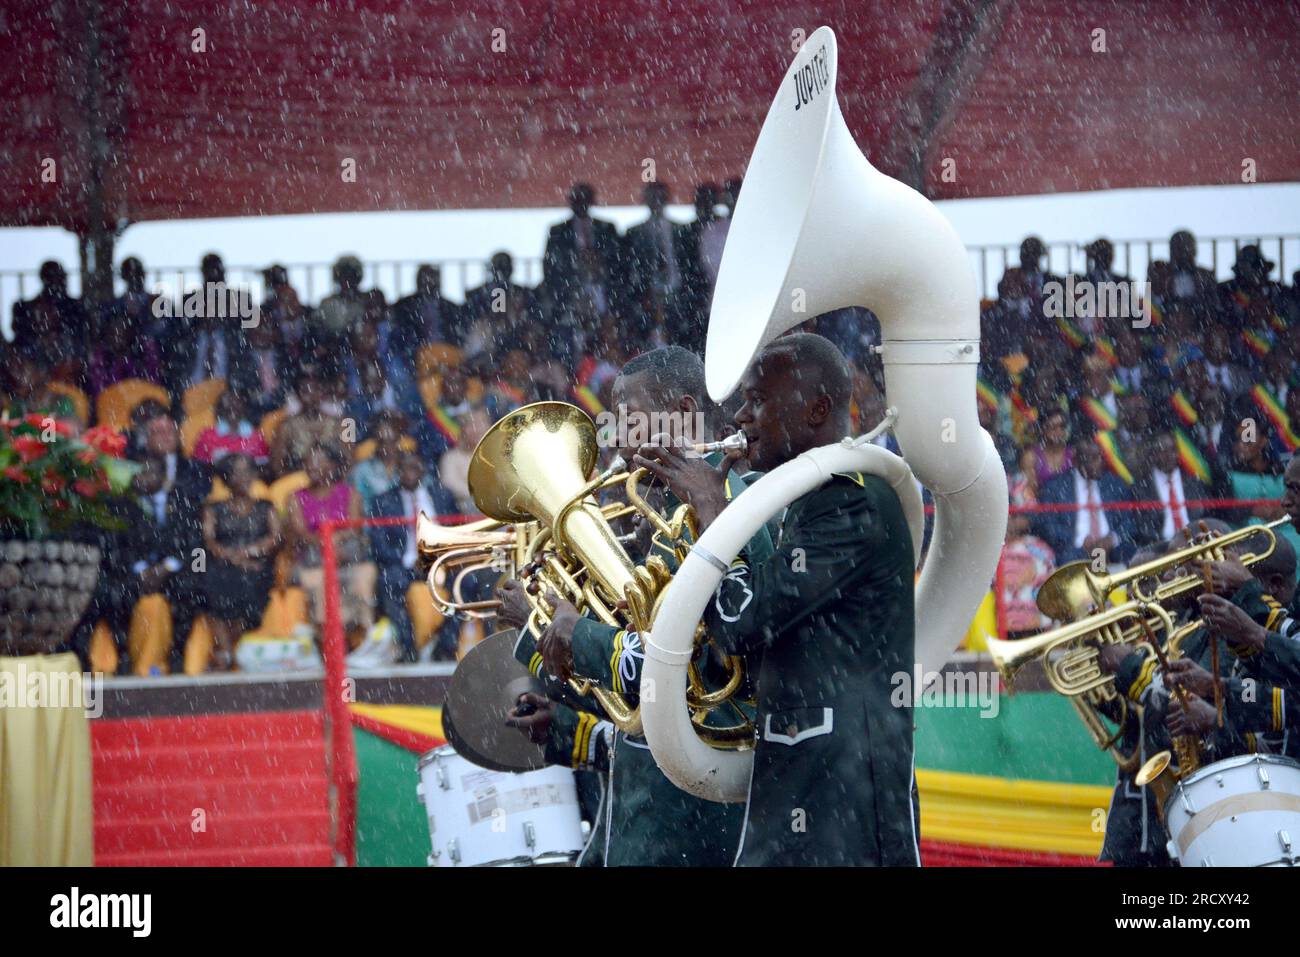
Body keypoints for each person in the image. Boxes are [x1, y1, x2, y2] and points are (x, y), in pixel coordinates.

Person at [634, 333, 920, 866]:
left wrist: (709, 508)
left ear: (817, 410)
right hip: (805, 790)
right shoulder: (808, 501)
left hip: (843, 803)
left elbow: (743, 621)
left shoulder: (850, 502)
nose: (741, 416)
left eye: (758, 400)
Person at [503, 345, 774, 867]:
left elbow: (690, 669)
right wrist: (560, 701)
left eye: (627, 418)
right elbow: (633, 707)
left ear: (683, 415)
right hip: (653, 813)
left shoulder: (721, 509)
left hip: (689, 825)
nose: (614, 438)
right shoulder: (665, 515)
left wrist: (571, 633)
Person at [365, 451, 450, 664]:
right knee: (389, 581)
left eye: (415, 467)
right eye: (405, 468)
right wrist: (408, 560)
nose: (410, 473)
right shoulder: (382, 501)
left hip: (441, 562)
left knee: (468, 582)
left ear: (423, 470)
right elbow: (378, 543)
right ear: (397, 471)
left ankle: (445, 647)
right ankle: (408, 646)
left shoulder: (440, 496)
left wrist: (440, 557)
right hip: (403, 564)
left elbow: (455, 529)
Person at [286, 445, 376, 636]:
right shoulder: (296, 498)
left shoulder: (350, 494)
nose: (312, 467)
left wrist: (334, 540)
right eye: (308, 463)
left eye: (318, 461)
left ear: (332, 466)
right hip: (313, 559)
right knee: (321, 583)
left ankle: (364, 635)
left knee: (365, 575)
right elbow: (301, 533)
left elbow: (354, 527)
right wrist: (326, 542)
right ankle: (329, 640)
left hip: (348, 557)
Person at [201, 454, 280, 670]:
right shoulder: (213, 508)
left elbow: (275, 538)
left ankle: (236, 651)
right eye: (237, 472)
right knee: (213, 580)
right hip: (224, 563)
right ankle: (226, 651)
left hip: (259, 563)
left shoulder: (266, 506)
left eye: (248, 471)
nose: (243, 477)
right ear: (227, 477)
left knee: (249, 582)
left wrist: (250, 552)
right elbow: (209, 541)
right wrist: (235, 558)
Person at [1034, 435, 1138, 566]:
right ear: (1076, 461)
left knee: (1135, 557)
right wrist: (1081, 542)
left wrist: (1111, 539)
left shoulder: (1114, 483)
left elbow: (1130, 521)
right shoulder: (1056, 487)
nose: (1099, 463)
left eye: (1100, 457)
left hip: (1113, 548)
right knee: (1069, 562)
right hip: (1076, 550)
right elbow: (1048, 526)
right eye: (1093, 459)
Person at [192, 390, 270, 469]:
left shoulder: (256, 437)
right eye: (229, 403)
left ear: (245, 408)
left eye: (237, 403)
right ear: (221, 409)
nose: (233, 406)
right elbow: (199, 467)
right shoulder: (207, 436)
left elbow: (262, 468)